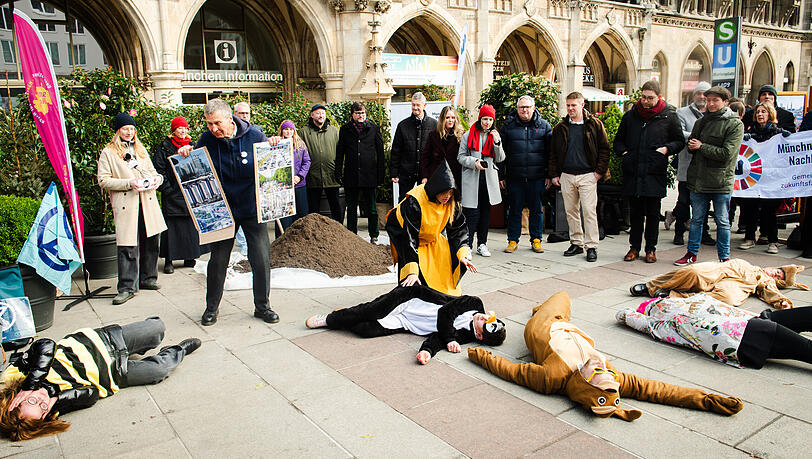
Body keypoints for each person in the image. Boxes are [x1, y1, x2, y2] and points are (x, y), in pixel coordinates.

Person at [467, 291, 743, 422]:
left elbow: (509, 369)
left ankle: (538, 308)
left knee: (562, 295)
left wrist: (477, 354)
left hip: (545, 323)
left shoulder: (552, 377)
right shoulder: (611, 377)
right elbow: (658, 390)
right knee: (564, 295)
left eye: (596, 373)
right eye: (606, 373)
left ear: (585, 385)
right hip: (570, 325)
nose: (602, 366)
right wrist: (705, 400)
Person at [0, 317, 200, 441]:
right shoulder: (53, 407)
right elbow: (92, 394)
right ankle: (178, 350)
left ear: (13, 403)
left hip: (102, 342)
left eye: (33, 400)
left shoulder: (14, 377)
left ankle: (142, 343)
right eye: (42, 409)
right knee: (160, 370)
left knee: (157, 328)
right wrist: (57, 401)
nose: (42, 401)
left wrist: (31, 384)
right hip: (115, 373)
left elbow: (46, 344)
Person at [176, 99, 280, 326]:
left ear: (230, 119)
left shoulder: (255, 135)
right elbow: (194, 160)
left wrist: (273, 144)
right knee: (218, 260)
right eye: (209, 124)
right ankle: (211, 308)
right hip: (223, 211)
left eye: (217, 123)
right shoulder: (207, 140)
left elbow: (269, 162)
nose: (213, 129)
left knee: (260, 258)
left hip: (252, 209)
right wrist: (186, 151)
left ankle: (263, 307)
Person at [304, 284, 506, 365]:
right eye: (491, 318)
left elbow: (437, 338)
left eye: (487, 325)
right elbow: (446, 313)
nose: (484, 318)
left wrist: (427, 351)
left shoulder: (465, 335)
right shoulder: (474, 304)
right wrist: (450, 338)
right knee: (372, 310)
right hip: (410, 297)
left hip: (407, 321)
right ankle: (330, 319)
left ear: (479, 336)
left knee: (367, 330)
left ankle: (344, 320)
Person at [618, 294, 812, 369]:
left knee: (804, 339)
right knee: (805, 348)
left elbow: (625, 315)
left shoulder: (680, 307)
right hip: (746, 334)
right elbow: (625, 315)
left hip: (749, 325)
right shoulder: (660, 323)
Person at [97, 112, 167, 305]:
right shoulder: (108, 152)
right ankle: (127, 286)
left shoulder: (141, 149)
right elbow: (103, 180)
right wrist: (129, 183)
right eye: (125, 129)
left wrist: (156, 180)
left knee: (151, 241)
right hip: (128, 202)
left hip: (147, 202)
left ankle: (148, 278)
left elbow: (153, 172)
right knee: (128, 245)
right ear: (118, 130)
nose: (129, 132)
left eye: (131, 129)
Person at [614, 80, 684, 264]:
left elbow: (679, 141)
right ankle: (634, 247)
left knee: (653, 214)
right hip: (634, 171)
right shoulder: (630, 116)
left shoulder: (668, 116)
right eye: (643, 97)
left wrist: (666, 149)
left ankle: (650, 249)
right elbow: (618, 141)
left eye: (650, 98)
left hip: (654, 172)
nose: (645, 101)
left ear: (659, 97)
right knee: (635, 214)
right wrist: (625, 153)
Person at [674, 86, 744, 266]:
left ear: (725, 102)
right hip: (699, 179)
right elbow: (692, 144)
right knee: (696, 220)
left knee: (722, 221)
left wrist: (701, 147)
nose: (711, 104)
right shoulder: (701, 122)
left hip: (720, 182)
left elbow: (727, 154)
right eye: (709, 100)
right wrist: (693, 146)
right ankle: (691, 253)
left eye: (715, 100)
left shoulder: (734, 124)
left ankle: (724, 258)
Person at [386, 160, 477, 296]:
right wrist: (411, 271)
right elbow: (408, 237)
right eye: (444, 193)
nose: (447, 196)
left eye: (450, 192)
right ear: (436, 189)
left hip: (430, 235)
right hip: (403, 232)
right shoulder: (415, 202)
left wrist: (462, 255)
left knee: (443, 269)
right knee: (415, 278)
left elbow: (458, 230)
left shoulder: (452, 203)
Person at [548, 91, 611, 262]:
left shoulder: (594, 125)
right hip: (567, 175)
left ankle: (591, 246)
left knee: (589, 212)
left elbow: (605, 149)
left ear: (582, 105)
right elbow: (553, 152)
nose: (570, 108)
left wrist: (598, 172)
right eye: (568, 105)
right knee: (571, 211)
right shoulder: (560, 128)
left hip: (588, 175)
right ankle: (576, 242)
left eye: (573, 105)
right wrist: (554, 174)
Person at [152, 116, 209, 274]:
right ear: (173, 130)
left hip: (190, 192)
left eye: (185, 128)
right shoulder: (164, 147)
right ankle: (169, 260)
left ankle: (190, 257)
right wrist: (168, 189)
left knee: (190, 227)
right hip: (172, 193)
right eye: (179, 128)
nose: (183, 131)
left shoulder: (192, 145)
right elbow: (158, 170)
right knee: (172, 229)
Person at [629, 259, 808, 309]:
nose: (775, 274)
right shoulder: (749, 264)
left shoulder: (767, 281)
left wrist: (782, 301)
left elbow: (772, 293)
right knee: (694, 272)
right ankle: (650, 286)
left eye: (779, 277)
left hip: (739, 284)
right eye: (777, 271)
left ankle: (673, 295)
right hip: (722, 269)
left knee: (728, 298)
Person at [499, 95, 552, 254]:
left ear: (533, 108)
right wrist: (501, 175)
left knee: (536, 209)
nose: (525, 110)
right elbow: (501, 154)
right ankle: (513, 240)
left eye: (528, 107)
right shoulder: (508, 127)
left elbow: (550, 153)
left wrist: (549, 175)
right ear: (517, 109)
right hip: (515, 177)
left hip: (537, 177)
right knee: (515, 209)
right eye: (522, 107)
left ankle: (536, 240)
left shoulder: (544, 126)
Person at [738, 103, 789, 254]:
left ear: (770, 114)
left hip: (770, 179)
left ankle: (772, 241)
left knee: (769, 211)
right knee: (750, 209)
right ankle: (749, 238)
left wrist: (788, 138)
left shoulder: (778, 133)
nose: (760, 114)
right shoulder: (750, 132)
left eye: (763, 112)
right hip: (754, 178)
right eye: (758, 112)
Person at [669, 81, 713, 246]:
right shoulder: (682, 113)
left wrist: (700, 140)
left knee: (703, 203)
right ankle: (679, 232)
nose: (701, 97)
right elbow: (680, 133)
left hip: (706, 168)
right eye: (698, 93)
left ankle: (704, 233)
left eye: (705, 94)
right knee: (683, 202)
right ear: (693, 95)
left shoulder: (713, 113)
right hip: (687, 166)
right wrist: (703, 138)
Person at [457, 105, 505, 257]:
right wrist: (474, 162)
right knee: (471, 215)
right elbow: (461, 157)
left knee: (485, 214)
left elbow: (500, 158)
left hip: (488, 181)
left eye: (490, 119)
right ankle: (468, 246)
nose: (487, 122)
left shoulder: (495, 135)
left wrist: (497, 143)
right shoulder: (468, 135)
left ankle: (482, 244)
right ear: (480, 119)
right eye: (485, 119)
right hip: (472, 179)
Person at [335, 102, 385, 242]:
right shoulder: (345, 129)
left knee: (372, 208)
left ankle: (374, 235)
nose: (360, 115)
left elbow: (380, 152)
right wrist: (338, 171)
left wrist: (381, 173)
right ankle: (352, 235)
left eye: (362, 113)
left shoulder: (373, 128)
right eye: (357, 113)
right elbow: (340, 152)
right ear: (352, 114)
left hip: (369, 174)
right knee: (351, 208)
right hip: (351, 174)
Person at [390, 92, 438, 203]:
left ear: (424, 105)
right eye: (413, 105)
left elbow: (437, 151)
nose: (415, 108)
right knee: (404, 202)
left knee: (426, 203)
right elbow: (396, 150)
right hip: (406, 172)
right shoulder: (402, 125)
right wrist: (394, 173)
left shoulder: (434, 125)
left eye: (418, 105)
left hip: (426, 174)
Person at [300, 104, 343, 223]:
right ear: (312, 115)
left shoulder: (334, 131)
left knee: (336, 207)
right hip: (313, 177)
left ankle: (339, 232)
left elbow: (340, 152)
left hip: (331, 176)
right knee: (313, 209)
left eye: (323, 113)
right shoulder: (303, 132)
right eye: (318, 113)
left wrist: (339, 171)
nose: (321, 116)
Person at [276, 120, 311, 234]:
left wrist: (299, 176)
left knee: (301, 214)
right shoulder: (277, 144)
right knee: (285, 216)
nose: (288, 132)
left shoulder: (300, 144)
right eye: (286, 129)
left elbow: (307, 162)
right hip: (283, 187)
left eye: (291, 129)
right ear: (282, 130)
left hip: (299, 184)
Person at [421, 105, 463, 187]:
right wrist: (425, 176)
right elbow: (425, 157)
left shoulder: (461, 135)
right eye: (447, 117)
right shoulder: (433, 135)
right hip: (436, 176)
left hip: (455, 177)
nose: (450, 120)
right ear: (442, 119)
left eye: (453, 117)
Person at [232, 102, 253, 254]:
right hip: (233, 191)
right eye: (241, 113)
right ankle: (244, 250)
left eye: (247, 113)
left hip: (250, 191)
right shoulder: (226, 134)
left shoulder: (256, 132)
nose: (245, 116)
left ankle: (249, 250)